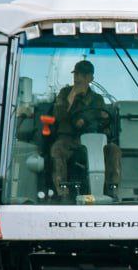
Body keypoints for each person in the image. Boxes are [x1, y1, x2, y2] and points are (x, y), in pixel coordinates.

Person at [48, 59, 122, 200]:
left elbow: (103, 119)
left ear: (90, 78)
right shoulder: (64, 93)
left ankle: (112, 190)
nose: (78, 78)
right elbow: (58, 115)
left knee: (113, 150)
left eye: (82, 75)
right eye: (76, 74)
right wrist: (72, 95)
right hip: (69, 139)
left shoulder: (97, 99)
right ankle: (62, 192)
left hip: (94, 139)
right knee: (57, 149)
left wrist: (101, 120)